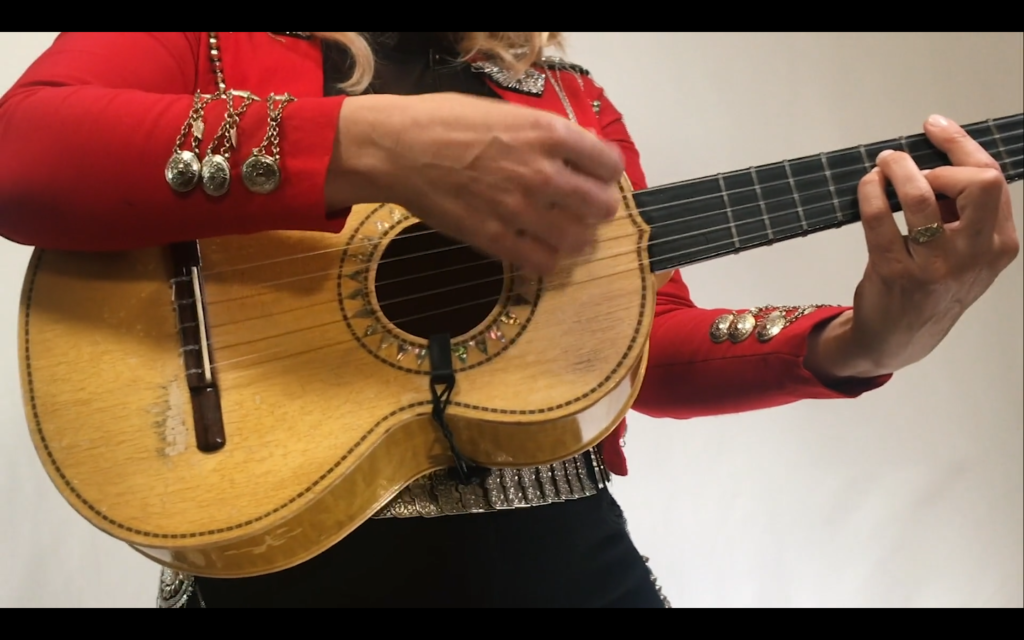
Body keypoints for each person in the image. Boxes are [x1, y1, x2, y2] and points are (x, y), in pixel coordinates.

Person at [0, 32, 1017, 608]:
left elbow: (645, 346)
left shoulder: (566, 99)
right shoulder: (207, 39)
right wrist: (369, 145)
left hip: (562, 566)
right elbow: (23, 152)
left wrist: (860, 340)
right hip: (280, 573)